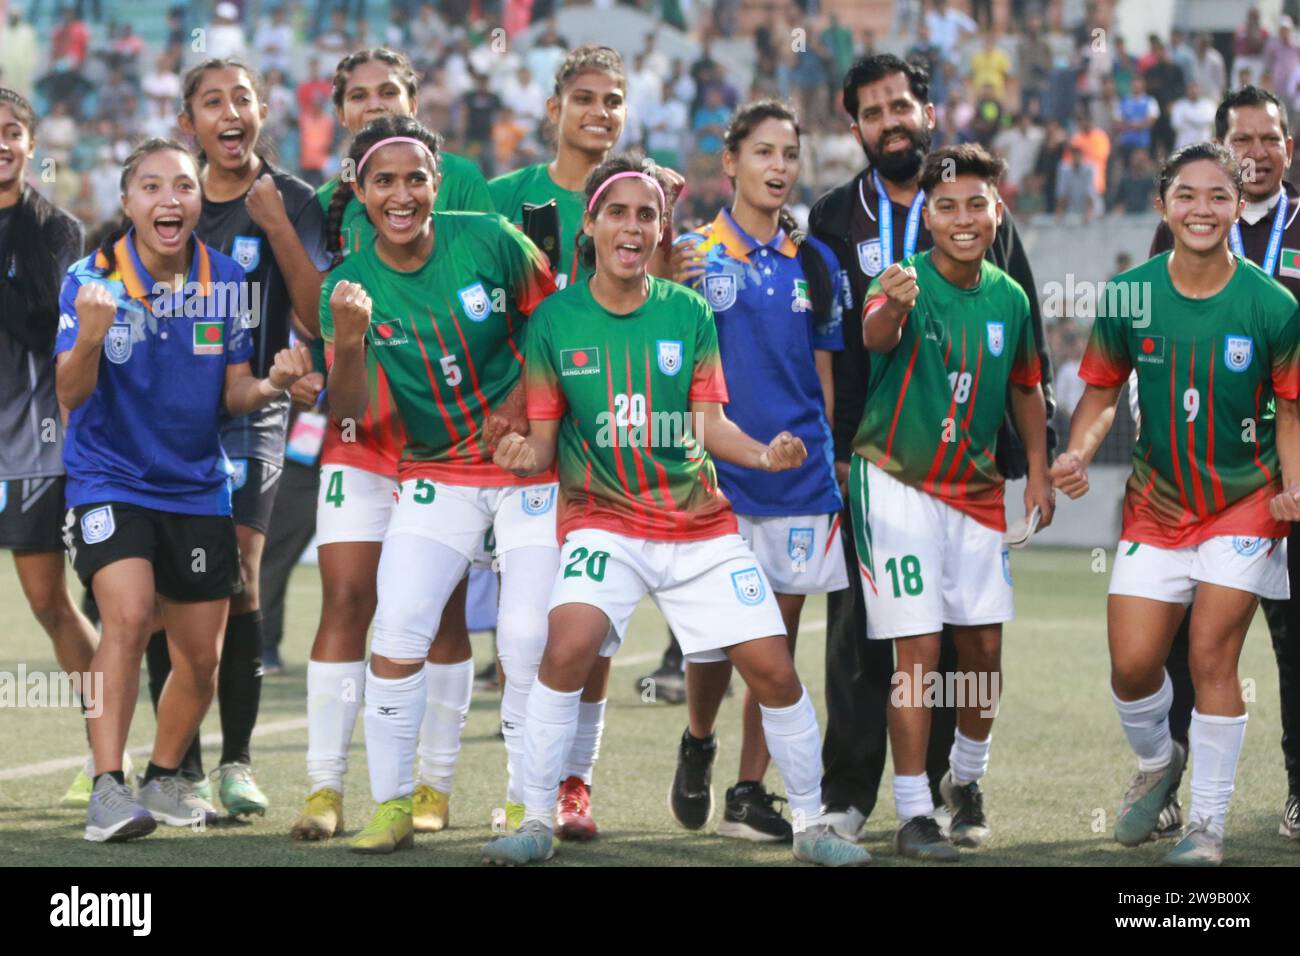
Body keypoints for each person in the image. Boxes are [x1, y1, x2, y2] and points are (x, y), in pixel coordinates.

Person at [478, 156, 870, 868]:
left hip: (697, 525)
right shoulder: (553, 323)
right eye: (619, 213)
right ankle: (535, 818)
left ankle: (814, 826)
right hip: (603, 523)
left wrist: (763, 454)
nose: (633, 227)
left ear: (662, 229)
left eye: (647, 214)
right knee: (561, 651)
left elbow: (710, 426)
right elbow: (539, 445)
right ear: (591, 224)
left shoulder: (688, 311)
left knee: (775, 671)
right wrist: (516, 457)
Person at [807, 53, 1055, 843]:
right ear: (855, 128)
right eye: (873, 113)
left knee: (965, 642)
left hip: (969, 467)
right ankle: (849, 794)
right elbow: (833, 342)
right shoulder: (834, 217)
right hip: (871, 457)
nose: (890, 122)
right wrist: (833, 451)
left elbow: (1023, 344)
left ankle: (956, 792)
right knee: (861, 637)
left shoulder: (987, 213)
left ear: (928, 112)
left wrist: (1028, 459)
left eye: (900, 106)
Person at [56, 138, 311, 842]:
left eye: (184, 187)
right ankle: (108, 790)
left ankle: (165, 776)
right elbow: (69, 393)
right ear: (127, 202)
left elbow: (234, 392)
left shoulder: (227, 279)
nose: (170, 198)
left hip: (198, 486)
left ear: (200, 199)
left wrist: (272, 384)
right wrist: (89, 338)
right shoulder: (90, 278)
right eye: (151, 187)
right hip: (109, 481)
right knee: (131, 617)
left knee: (202, 657)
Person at [1052, 142, 1300, 865]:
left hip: (1243, 505)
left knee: (1212, 655)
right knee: (1132, 666)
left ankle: (1207, 830)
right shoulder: (1129, 295)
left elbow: (1290, 408)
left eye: (1218, 196)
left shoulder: (1274, 305)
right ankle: (1160, 763)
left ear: (1237, 206)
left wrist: (1292, 484)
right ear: (1163, 205)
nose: (1202, 208)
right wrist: (1076, 451)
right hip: (1155, 509)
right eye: (1186, 195)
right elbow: (1100, 394)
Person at [322, 115, 558, 854]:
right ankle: (391, 807)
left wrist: (521, 412)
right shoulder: (346, 285)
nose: (401, 194)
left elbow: (556, 323)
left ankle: (527, 809)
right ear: (359, 192)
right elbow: (349, 414)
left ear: (436, 182)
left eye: (415, 178)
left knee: (523, 641)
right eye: (383, 181)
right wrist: (351, 338)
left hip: (526, 463)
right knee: (396, 629)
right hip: (438, 471)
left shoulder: (488, 236)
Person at [289, 47, 495, 842]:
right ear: (340, 114)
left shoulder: (462, 180)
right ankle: (322, 788)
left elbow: (509, 278)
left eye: (392, 93)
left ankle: (432, 786)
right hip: (358, 434)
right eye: (360, 96)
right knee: (345, 597)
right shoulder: (325, 205)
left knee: (441, 610)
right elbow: (311, 315)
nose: (376, 105)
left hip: (443, 443)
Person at [133, 58, 332, 818]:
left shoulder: (295, 200)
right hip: (174, 416)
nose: (229, 112)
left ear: (262, 110)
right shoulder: (169, 200)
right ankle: (175, 765)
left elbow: (313, 318)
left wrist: (275, 221)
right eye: (211, 101)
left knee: (240, 576)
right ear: (189, 122)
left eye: (241, 98)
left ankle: (238, 765)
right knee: (156, 592)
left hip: (255, 411)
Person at [858, 143, 1052, 860]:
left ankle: (964, 780)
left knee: (984, 648)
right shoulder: (900, 279)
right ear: (928, 217)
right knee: (920, 649)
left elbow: (1027, 387)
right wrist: (891, 309)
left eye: (977, 204)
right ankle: (912, 812)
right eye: (947, 206)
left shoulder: (1011, 296)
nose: (963, 218)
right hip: (897, 483)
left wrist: (1035, 468)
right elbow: (873, 333)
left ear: (998, 212)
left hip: (976, 491)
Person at [666, 100, 847, 843]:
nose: (778, 167)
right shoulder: (687, 253)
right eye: (763, 152)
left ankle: (748, 790)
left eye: (789, 155)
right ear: (730, 162)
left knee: (775, 645)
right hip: (718, 477)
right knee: (712, 646)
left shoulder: (815, 260)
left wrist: (825, 448)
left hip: (799, 480)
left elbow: (824, 374)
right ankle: (698, 739)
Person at [1149, 85, 1300, 840]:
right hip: (1200, 479)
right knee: (1183, 637)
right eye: (1242, 139)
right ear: (1221, 150)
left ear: (1288, 149)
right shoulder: (1181, 227)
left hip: (1294, 475)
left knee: (1296, 637)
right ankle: (1168, 782)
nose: (1258, 151)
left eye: (1270, 138)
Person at [0, 88, 99, 807]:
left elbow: (56, 331)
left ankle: (107, 752)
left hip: (30, 439)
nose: (1, 143)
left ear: (32, 146)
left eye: (11, 133)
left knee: (48, 602)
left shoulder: (55, 229)